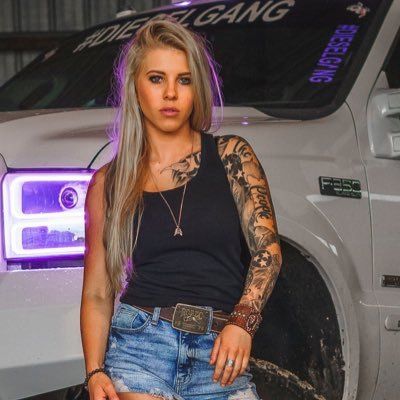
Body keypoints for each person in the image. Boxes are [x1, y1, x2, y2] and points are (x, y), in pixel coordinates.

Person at [80, 15, 282, 400]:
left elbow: (267, 254)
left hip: (220, 356)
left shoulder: (232, 156)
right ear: (136, 88)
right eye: (157, 79)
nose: (170, 93)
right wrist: (94, 371)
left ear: (196, 88)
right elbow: (97, 292)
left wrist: (242, 323)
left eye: (183, 80)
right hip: (139, 349)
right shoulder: (108, 182)